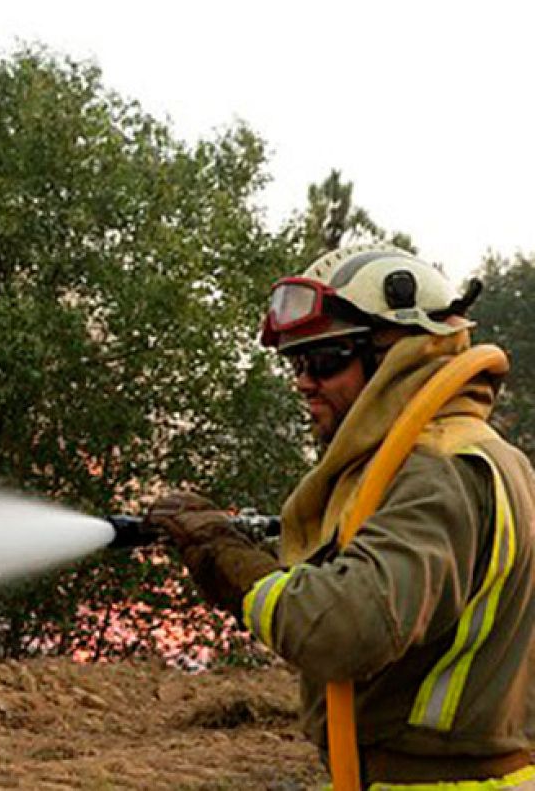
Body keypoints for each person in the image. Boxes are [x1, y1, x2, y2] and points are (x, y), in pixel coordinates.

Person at [149, 243, 535, 789]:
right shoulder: (483, 455)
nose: (305, 381)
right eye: (298, 363)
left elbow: (344, 630)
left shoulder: (435, 472)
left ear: (401, 354)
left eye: (327, 360)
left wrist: (229, 563)